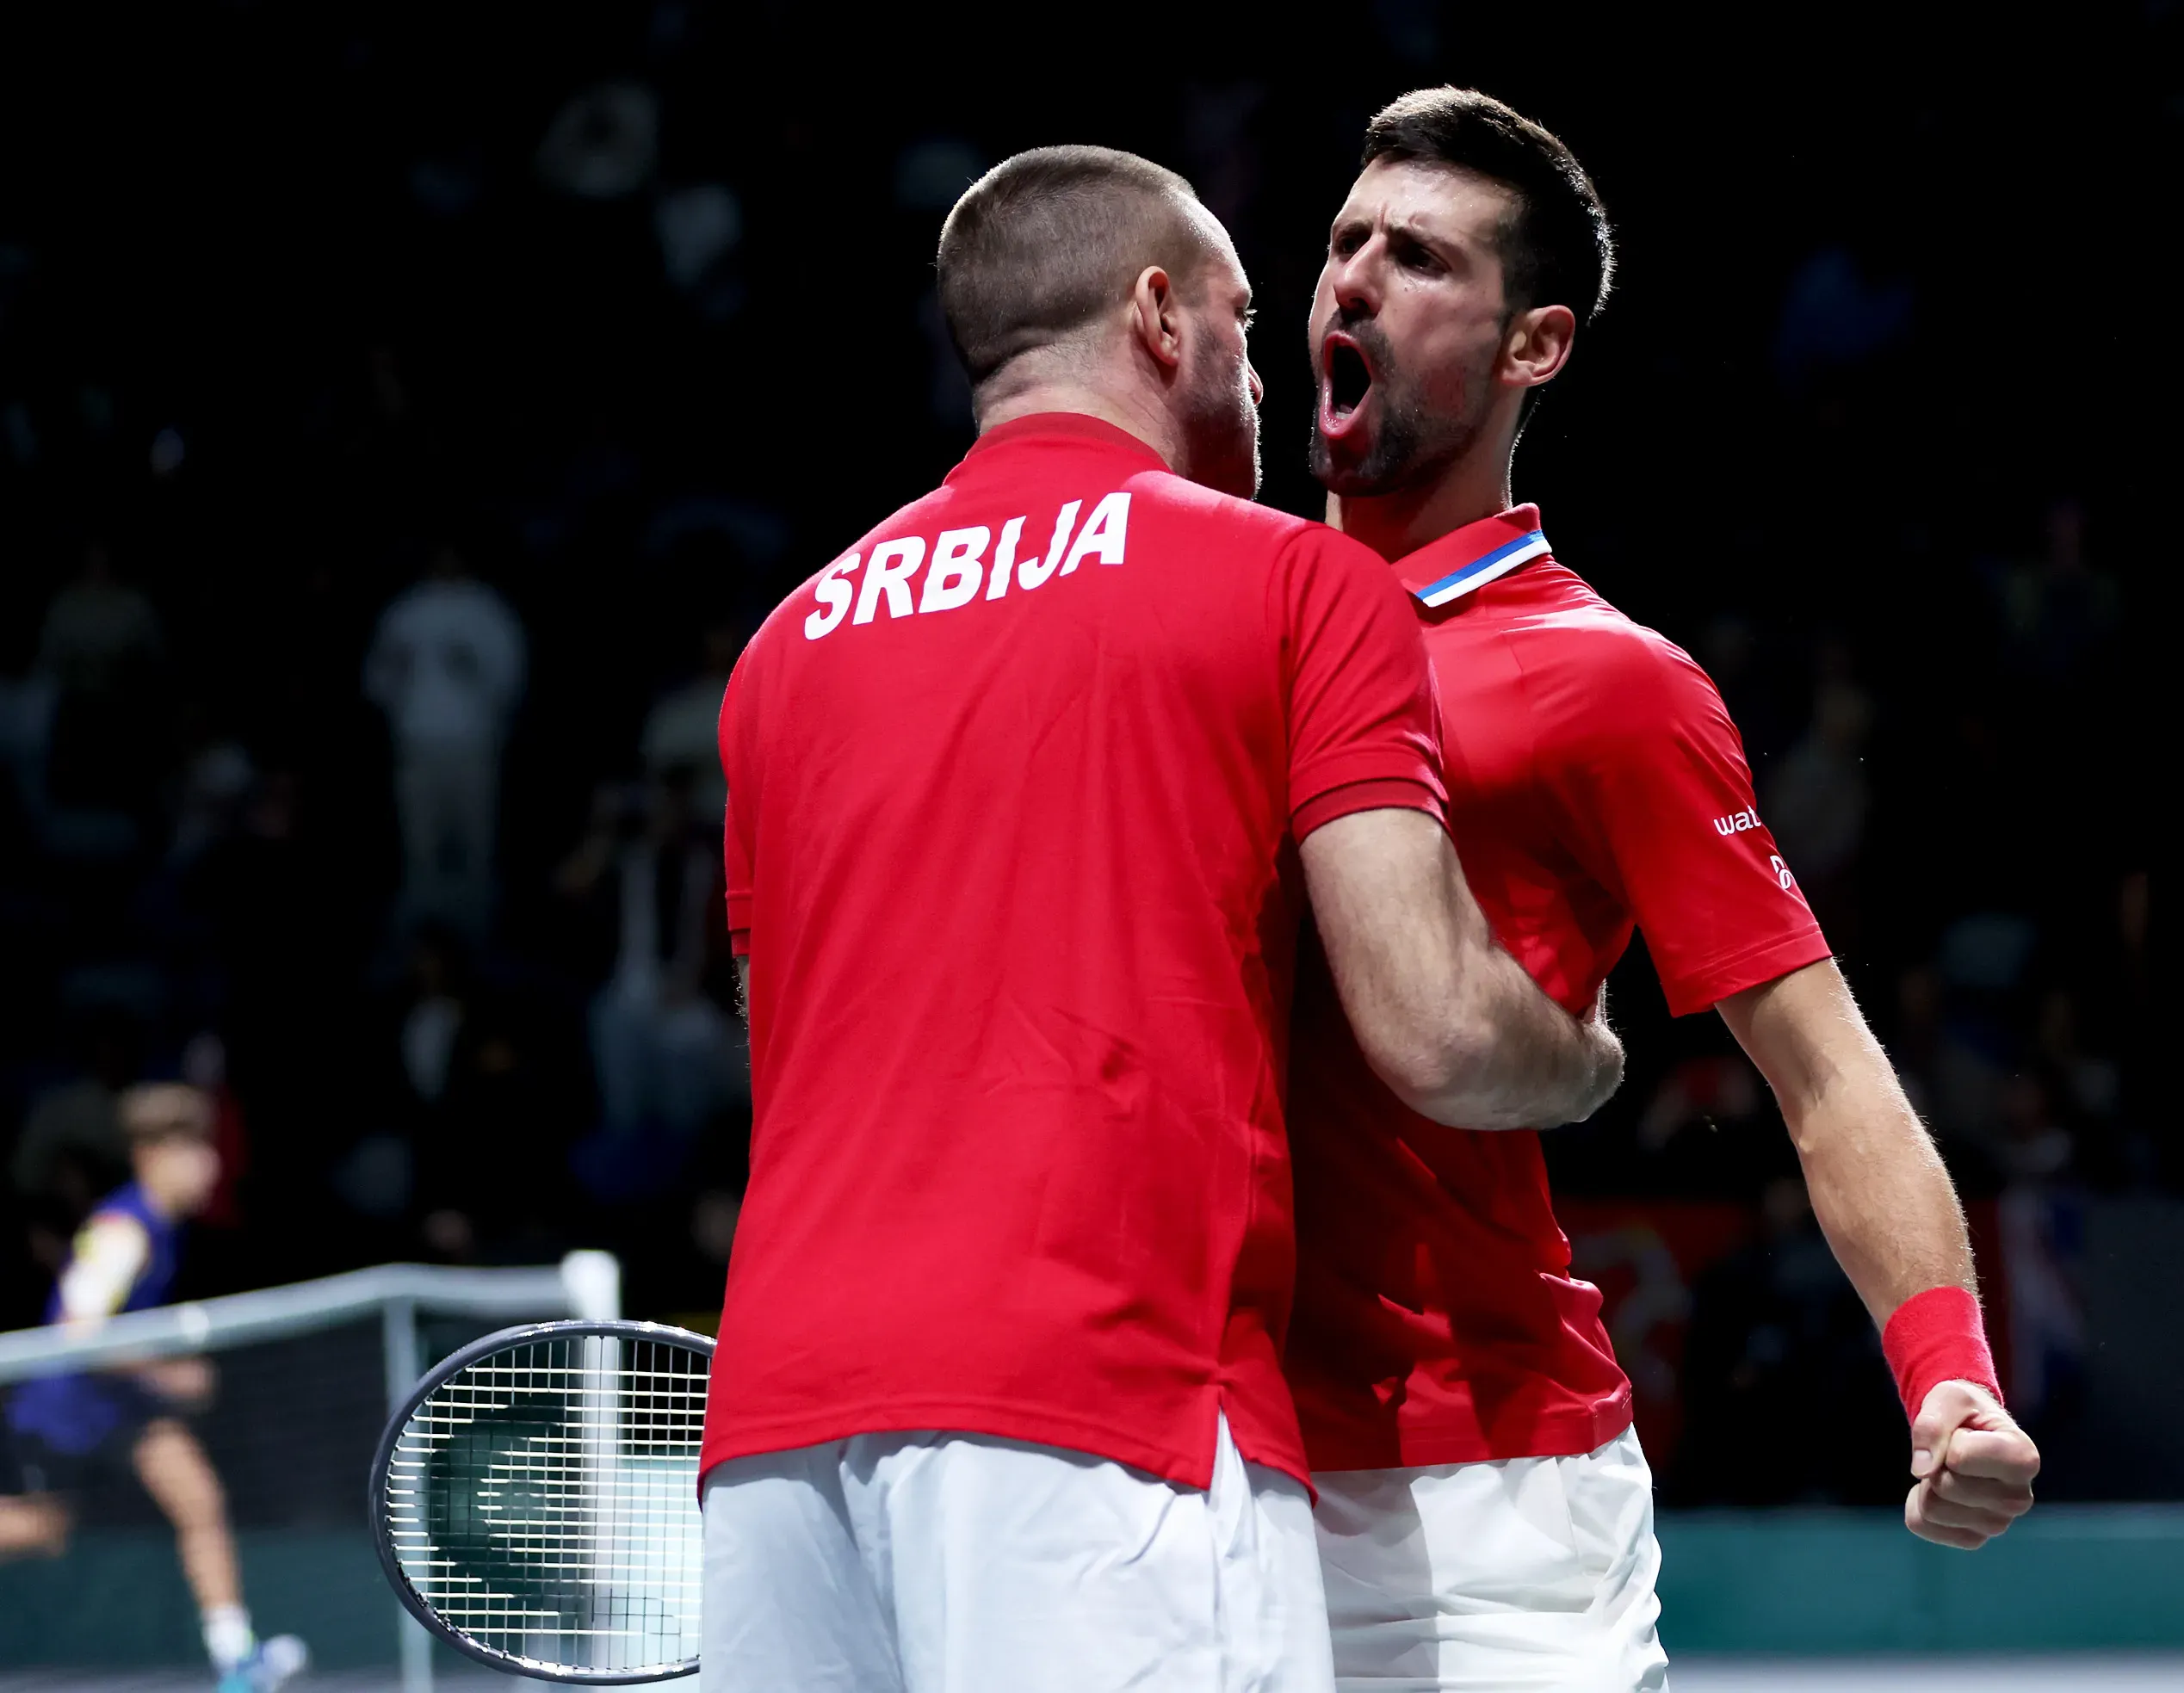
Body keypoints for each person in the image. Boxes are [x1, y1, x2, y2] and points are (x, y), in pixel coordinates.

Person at [697, 145, 1624, 1693]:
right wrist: (1582, 1054)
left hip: (781, 1446)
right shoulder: (1294, 585)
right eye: (1246, 323)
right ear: (1157, 318)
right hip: (1108, 1413)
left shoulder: (786, 644)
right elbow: (1441, 1027)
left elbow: (774, 1036)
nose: (1267, 372)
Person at [1285, 90, 2044, 1691]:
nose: (1351, 279)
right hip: (1199, 1459)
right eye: (1343, 241)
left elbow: (1827, 1075)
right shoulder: (1207, 621)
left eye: (1416, 258)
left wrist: (1947, 1375)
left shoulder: (1608, 685)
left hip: (1479, 1497)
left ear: (1533, 347)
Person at [0, 1084, 306, 1692]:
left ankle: (235, 1660)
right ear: (152, 1156)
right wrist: (166, 1373)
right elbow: (77, 1331)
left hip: (118, 1408)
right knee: (41, 1530)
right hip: (59, 1413)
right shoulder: (122, 1229)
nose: (211, 1166)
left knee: (198, 1495)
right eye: (195, 1150)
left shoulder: (162, 1225)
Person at [362, 546, 526, 938]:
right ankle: (422, 947)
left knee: (475, 849)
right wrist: (395, 671)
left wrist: (473, 667)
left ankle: (477, 939)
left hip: (472, 745)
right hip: (418, 745)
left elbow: (511, 680)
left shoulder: (487, 611)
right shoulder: (407, 611)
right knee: (421, 852)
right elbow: (376, 680)